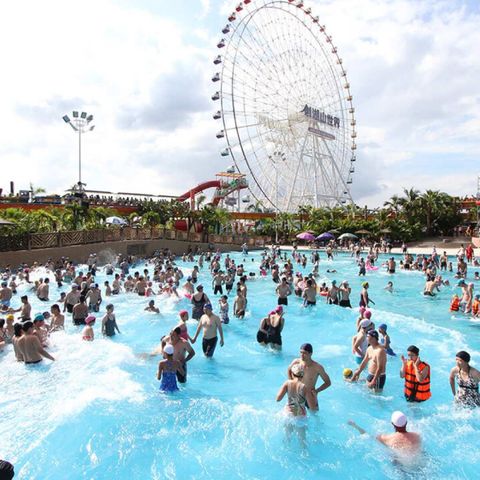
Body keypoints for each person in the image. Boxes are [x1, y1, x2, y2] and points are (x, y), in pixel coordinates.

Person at [348, 411, 421, 453]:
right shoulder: (417, 436)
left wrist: (355, 426)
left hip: (401, 468)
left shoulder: (387, 438)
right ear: (406, 422)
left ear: (392, 424)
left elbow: (368, 436)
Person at [287, 343, 331, 412]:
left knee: (315, 416)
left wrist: (317, 391)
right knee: (294, 415)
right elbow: (289, 369)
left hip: (310, 395)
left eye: (304, 353)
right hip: (298, 393)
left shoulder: (317, 367)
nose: (302, 355)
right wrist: (291, 382)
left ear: (311, 354)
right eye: (301, 352)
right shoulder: (296, 362)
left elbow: (328, 382)